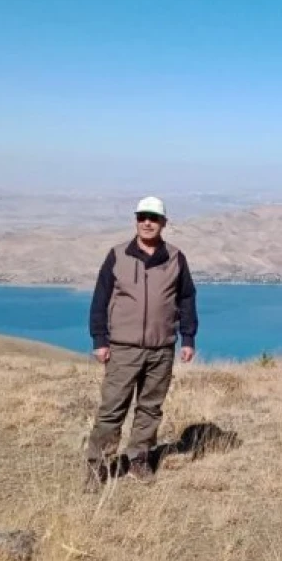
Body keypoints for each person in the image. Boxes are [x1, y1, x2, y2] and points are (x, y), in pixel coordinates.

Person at [84, 196, 198, 490]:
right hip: (123, 348)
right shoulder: (118, 255)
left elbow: (186, 298)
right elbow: (100, 300)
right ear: (136, 220)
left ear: (163, 223)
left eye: (153, 217)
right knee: (112, 409)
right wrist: (100, 339)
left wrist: (188, 337)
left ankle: (138, 458)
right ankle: (98, 466)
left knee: (150, 408)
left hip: (161, 349)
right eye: (142, 217)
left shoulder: (175, 258)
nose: (147, 222)